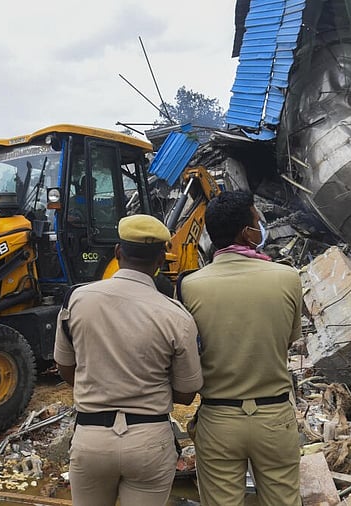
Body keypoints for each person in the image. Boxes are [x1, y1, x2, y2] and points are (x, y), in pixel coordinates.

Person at [53, 214, 203, 506]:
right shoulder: (176, 315)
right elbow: (187, 393)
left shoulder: (77, 300)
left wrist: (100, 383)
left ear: (118, 252)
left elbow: (65, 368)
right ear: (160, 260)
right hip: (149, 440)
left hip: (91, 438)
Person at [179, 190, 302, 506]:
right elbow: (287, 341)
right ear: (248, 233)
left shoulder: (190, 286)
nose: (261, 226)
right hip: (274, 416)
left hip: (219, 418)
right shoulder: (288, 277)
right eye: (257, 220)